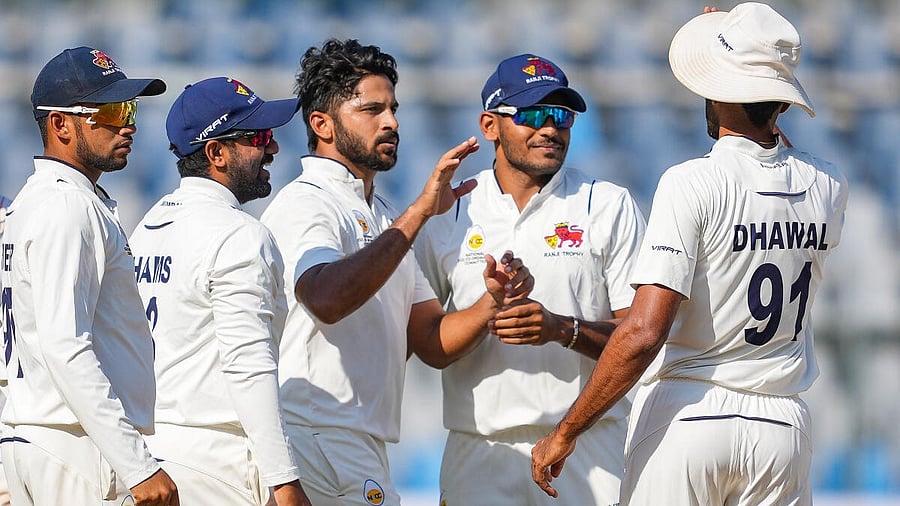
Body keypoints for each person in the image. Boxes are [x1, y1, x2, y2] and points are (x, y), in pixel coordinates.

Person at [531, 4, 850, 505]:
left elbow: (643, 331)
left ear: (718, 91)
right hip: (783, 426)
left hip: (691, 411)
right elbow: (775, 162)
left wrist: (567, 430)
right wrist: (734, 50)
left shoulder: (691, 182)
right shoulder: (829, 183)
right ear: (783, 104)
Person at [260, 38, 533, 506]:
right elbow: (326, 299)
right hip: (315, 436)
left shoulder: (384, 216)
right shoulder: (306, 202)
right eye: (371, 110)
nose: (391, 122)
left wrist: (493, 301)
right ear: (321, 124)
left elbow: (430, 341)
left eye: (393, 108)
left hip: (358, 443)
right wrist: (421, 212)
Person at [413, 53, 645, 506]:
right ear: (490, 125)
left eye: (561, 116)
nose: (550, 129)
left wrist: (562, 329)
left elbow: (640, 336)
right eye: (533, 115)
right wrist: (488, 308)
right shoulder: (451, 212)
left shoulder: (607, 204)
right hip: (478, 451)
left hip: (586, 445)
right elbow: (428, 347)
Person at [0, 46, 179, 505]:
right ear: (60, 124)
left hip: (37, 435)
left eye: (129, 109)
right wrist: (138, 466)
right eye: (111, 112)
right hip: (74, 445)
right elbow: (65, 347)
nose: (128, 125)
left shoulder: (33, 202)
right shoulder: (67, 205)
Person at [128, 77, 312, 506]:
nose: (273, 147)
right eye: (258, 137)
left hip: (149, 458)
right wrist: (285, 481)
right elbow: (248, 366)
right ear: (216, 153)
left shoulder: (147, 227)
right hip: (216, 464)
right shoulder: (239, 234)